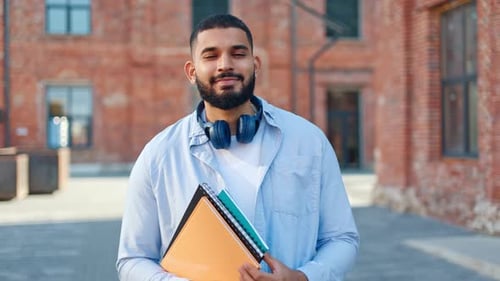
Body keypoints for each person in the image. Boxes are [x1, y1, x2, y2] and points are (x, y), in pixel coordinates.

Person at [116, 14, 359, 281]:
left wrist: (301, 278)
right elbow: (133, 259)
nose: (225, 65)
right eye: (210, 56)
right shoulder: (159, 156)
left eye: (237, 53)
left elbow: (341, 238)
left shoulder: (309, 142)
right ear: (191, 71)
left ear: (255, 64)